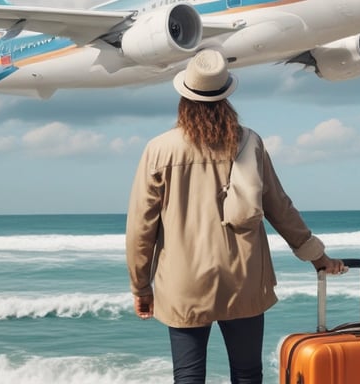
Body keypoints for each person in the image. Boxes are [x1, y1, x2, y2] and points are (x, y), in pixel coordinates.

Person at [125, 49, 345, 384]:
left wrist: (141, 285)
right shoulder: (249, 142)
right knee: (246, 373)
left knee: (188, 376)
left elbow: (142, 226)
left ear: (184, 98)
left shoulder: (160, 149)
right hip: (243, 277)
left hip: (185, 281)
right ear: (226, 99)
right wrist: (317, 257)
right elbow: (279, 207)